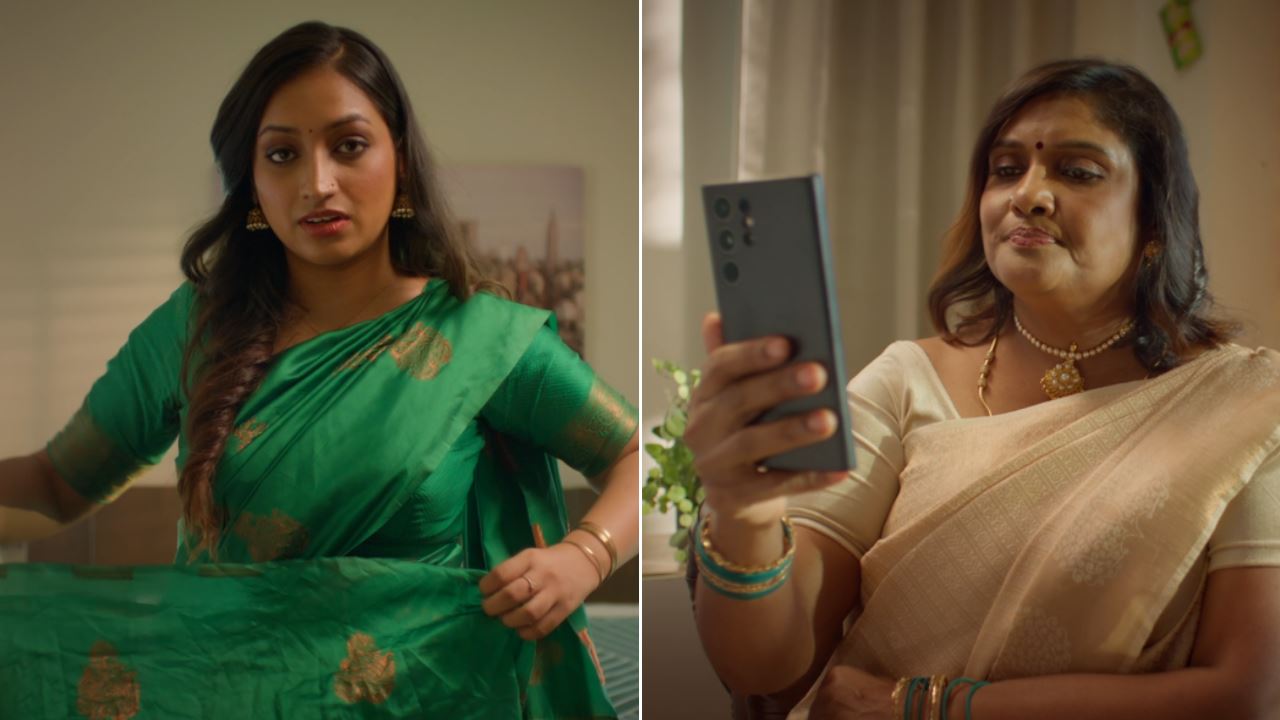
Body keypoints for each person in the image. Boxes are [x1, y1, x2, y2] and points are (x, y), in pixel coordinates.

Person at [0, 21, 638, 718]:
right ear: (252, 184)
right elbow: (57, 483)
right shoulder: (193, 331)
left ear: (400, 161)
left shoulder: (478, 338)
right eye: (282, 154)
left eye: (350, 145)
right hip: (226, 697)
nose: (317, 183)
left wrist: (586, 555)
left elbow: (640, 454)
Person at [685, 59, 1280, 719]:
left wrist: (925, 707)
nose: (1029, 194)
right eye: (1006, 168)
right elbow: (768, 671)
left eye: (1078, 172)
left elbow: (1245, 696)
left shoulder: (1241, 407)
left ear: (1154, 226)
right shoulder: (905, 381)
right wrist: (743, 516)